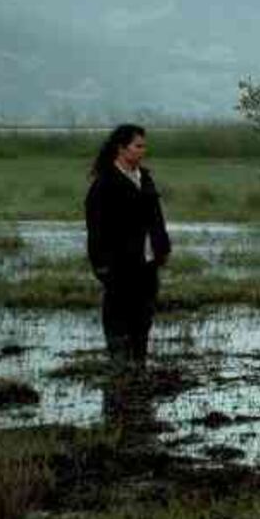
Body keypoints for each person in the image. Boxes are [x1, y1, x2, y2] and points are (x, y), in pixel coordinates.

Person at [85, 124, 171, 370]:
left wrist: (162, 247)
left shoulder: (145, 178)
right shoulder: (104, 184)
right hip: (118, 264)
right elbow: (96, 230)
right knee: (117, 317)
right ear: (121, 148)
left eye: (144, 146)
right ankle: (120, 371)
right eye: (138, 146)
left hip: (147, 260)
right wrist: (100, 266)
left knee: (143, 317)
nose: (143, 151)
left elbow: (156, 218)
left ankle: (138, 367)